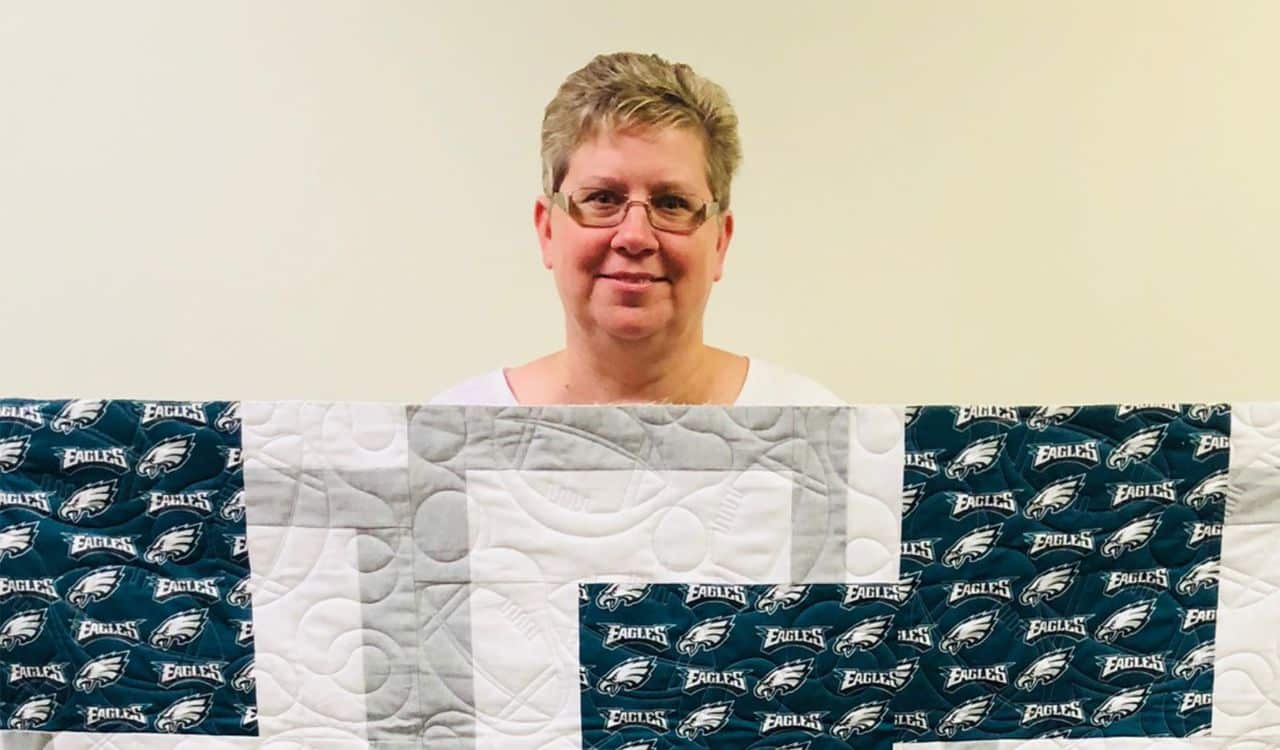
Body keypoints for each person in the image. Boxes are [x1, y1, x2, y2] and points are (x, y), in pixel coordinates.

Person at [430, 52, 843, 406]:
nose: (634, 236)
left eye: (672, 204)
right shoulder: (448, 432)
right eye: (602, 199)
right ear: (547, 231)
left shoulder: (818, 427)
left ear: (720, 241)